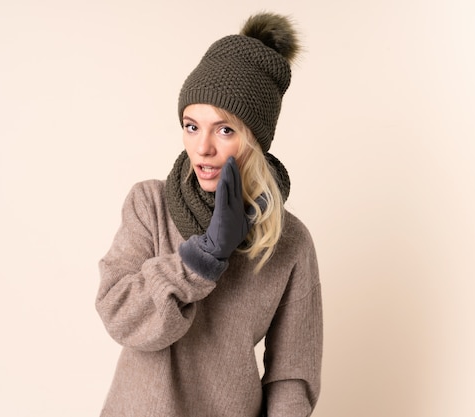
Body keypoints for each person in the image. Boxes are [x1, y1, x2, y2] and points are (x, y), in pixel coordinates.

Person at [96, 12, 322, 417]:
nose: (202, 148)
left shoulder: (290, 242)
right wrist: (200, 261)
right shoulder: (150, 204)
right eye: (191, 125)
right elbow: (120, 316)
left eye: (224, 130)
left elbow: (293, 375)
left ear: (255, 137)